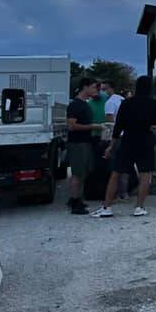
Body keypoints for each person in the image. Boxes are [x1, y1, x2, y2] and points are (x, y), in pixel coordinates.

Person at [92, 76, 156, 218]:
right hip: (146, 141)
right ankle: (139, 207)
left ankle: (107, 207)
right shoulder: (154, 103)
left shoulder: (126, 103)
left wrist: (111, 146)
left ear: (136, 87)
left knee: (116, 174)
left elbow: (118, 126)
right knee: (145, 175)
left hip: (127, 141)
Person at [65, 78, 103, 215]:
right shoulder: (75, 105)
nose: (95, 90)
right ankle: (75, 202)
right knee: (78, 173)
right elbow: (71, 126)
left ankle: (76, 198)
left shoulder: (84, 104)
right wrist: (93, 126)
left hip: (84, 142)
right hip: (77, 143)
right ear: (85, 87)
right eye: (93, 87)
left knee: (83, 172)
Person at [102, 81, 129, 200]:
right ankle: (124, 192)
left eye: (104, 89)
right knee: (125, 166)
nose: (102, 91)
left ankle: (116, 193)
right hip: (127, 136)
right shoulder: (122, 99)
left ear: (110, 89)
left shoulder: (109, 103)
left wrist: (108, 142)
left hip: (117, 137)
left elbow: (109, 123)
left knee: (115, 166)